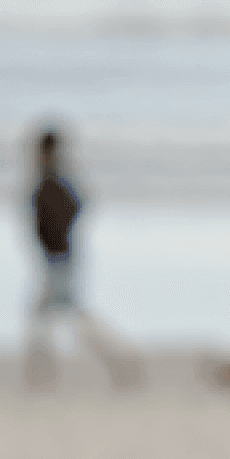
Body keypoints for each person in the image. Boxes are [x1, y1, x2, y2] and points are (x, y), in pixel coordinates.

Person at [23, 126, 142, 389]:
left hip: (60, 257)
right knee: (54, 315)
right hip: (57, 256)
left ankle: (120, 359)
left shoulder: (53, 179)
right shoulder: (51, 177)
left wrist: (58, 237)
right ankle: (41, 375)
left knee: (65, 315)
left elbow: (74, 207)